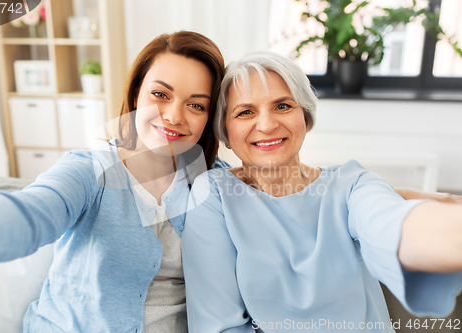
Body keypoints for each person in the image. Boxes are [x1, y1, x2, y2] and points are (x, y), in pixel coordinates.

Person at [0, 30, 228, 333]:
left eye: (196, 105)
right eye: (160, 94)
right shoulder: (88, 172)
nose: (173, 116)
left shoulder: (214, 181)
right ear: (136, 94)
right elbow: (33, 212)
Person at [182, 51, 462, 333]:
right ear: (226, 132)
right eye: (245, 112)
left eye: (282, 106)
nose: (266, 125)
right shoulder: (214, 195)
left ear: (305, 116)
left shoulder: (351, 183)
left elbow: (395, 226)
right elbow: (216, 325)